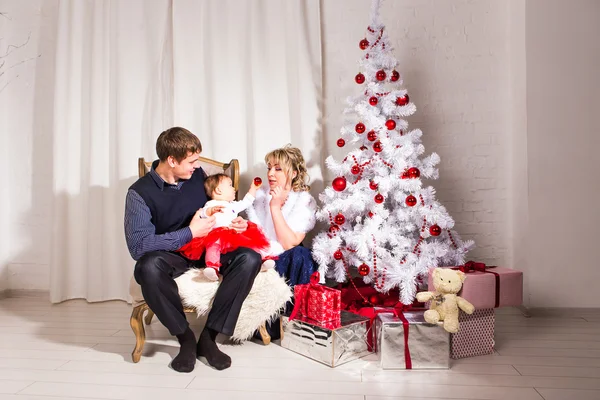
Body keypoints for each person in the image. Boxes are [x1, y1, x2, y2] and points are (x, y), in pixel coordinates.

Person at [124, 127, 262, 373]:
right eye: (192, 161)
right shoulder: (139, 193)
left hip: (210, 248)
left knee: (250, 258)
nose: (198, 165)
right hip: (172, 256)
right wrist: (188, 233)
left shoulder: (197, 176)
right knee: (146, 267)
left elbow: (221, 205)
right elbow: (138, 246)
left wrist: (236, 222)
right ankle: (185, 338)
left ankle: (208, 339)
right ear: (172, 160)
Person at [245, 144, 318, 296]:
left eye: (277, 169)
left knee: (301, 254)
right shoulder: (258, 197)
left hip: (286, 257)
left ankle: (291, 316)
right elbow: (253, 235)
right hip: (260, 256)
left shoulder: (304, 201)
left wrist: (275, 207)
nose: (270, 173)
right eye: (269, 168)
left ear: (293, 173)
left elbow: (289, 243)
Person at [177, 173, 275, 281]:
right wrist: (211, 211)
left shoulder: (233, 205)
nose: (234, 188)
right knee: (213, 246)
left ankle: (263, 259)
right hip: (217, 233)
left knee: (250, 243)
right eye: (230, 185)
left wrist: (253, 188)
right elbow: (203, 213)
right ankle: (213, 267)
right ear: (218, 190)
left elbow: (246, 202)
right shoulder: (211, 204)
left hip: (234, 233)